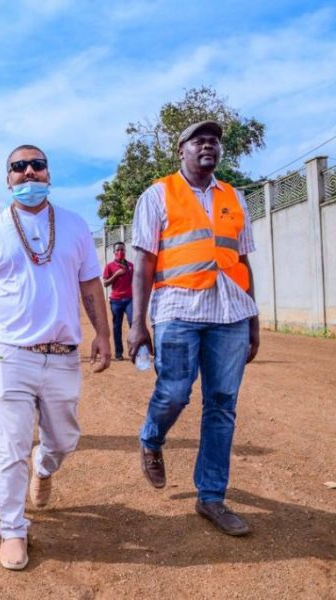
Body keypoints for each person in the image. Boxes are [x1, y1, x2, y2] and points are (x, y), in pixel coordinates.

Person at [0, 144, 111, 571]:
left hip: (61, 354)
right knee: (11, 444)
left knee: (63, 440)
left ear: (48, 173)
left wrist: (103, 334)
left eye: (36, 165)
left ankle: (45, 467)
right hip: (9, 353)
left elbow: (92, 287)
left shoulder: (75, 227)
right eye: (18, 167)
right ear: (8, 179)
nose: (28, 172)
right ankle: (13, 530)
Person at [128, 120, 260, 537]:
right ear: (181, 150)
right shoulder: (157, 195)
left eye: (215, 141)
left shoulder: (235, 197)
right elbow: (144, 264)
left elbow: (243, 262)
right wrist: (138, 324)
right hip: (178, 308)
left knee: (222, 404)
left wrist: (254, 319)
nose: (209, 145)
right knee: (175, 391)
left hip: (231, 313)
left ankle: (211, 497)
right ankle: (151, 438)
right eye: (199, 140)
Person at [102, 241, 134, 360]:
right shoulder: (109, 266)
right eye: (118, 250)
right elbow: (105, 283)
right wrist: (116, 275)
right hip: (116, 301)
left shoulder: (131, 265)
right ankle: (118, 353)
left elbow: (135, 281)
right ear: (114, 252)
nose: (120, 252)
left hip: (130, 299)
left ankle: (133, 350)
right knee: (117, 326)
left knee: (133, 323)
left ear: (125, 251)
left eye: (122, 250)